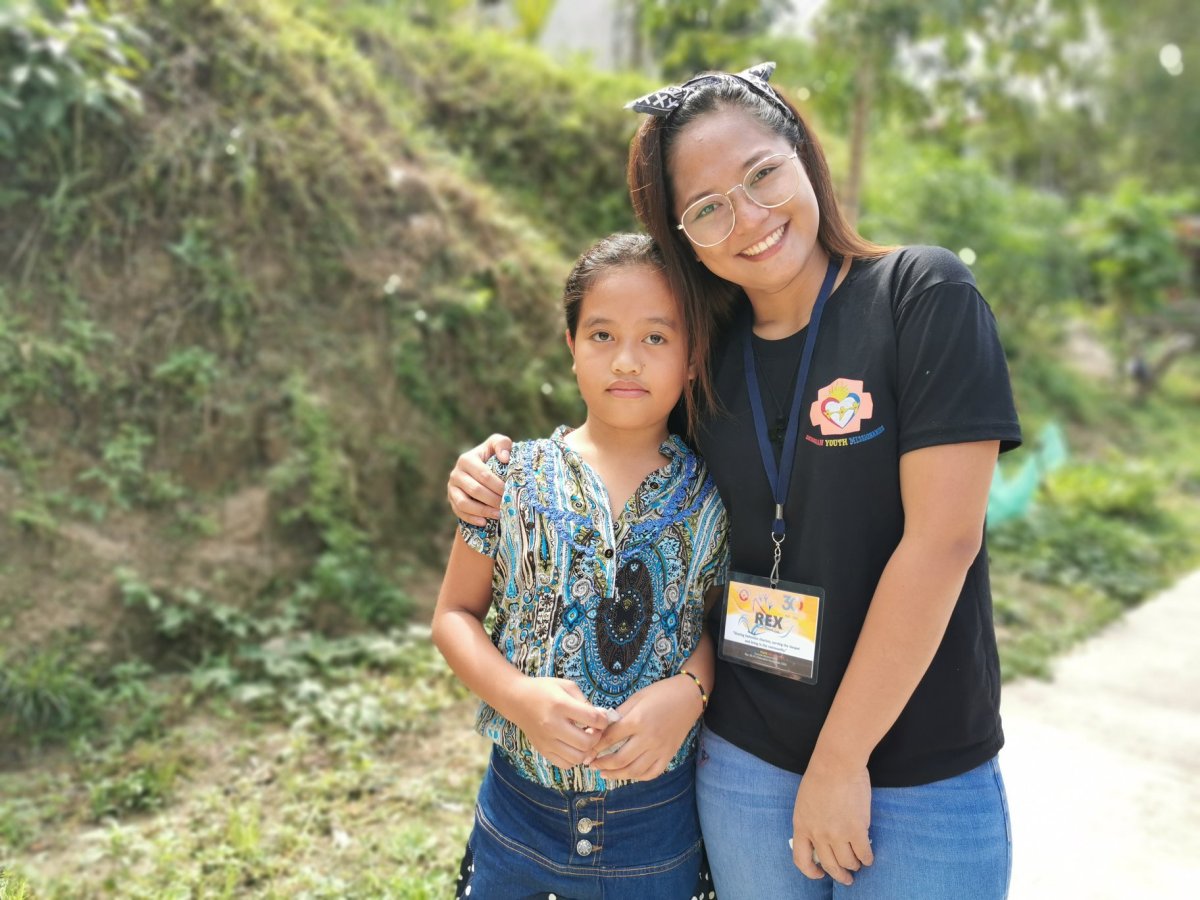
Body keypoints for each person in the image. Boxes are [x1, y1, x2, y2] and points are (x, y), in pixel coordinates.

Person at [448, 62, 1021, 899]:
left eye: (762, 175)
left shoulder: (920, 296)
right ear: (684, 235)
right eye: (708, 208)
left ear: (803, 154)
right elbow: (611, 452)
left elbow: (943, 544)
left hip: (919, 769)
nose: (748, 218)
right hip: (746, 764)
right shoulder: (702, 358)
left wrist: (840, 760)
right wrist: (489, 468)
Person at [432, 232, 728, 900]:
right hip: (518, 813)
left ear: (691, 359)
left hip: (656, 824)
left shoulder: (710, 497)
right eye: (601, 335)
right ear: (570, 347)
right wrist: (519, 697)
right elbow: (453, 616)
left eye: (656, 337)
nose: (626, 359)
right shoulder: (509, 477)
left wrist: (690, 691)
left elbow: (714, 626)